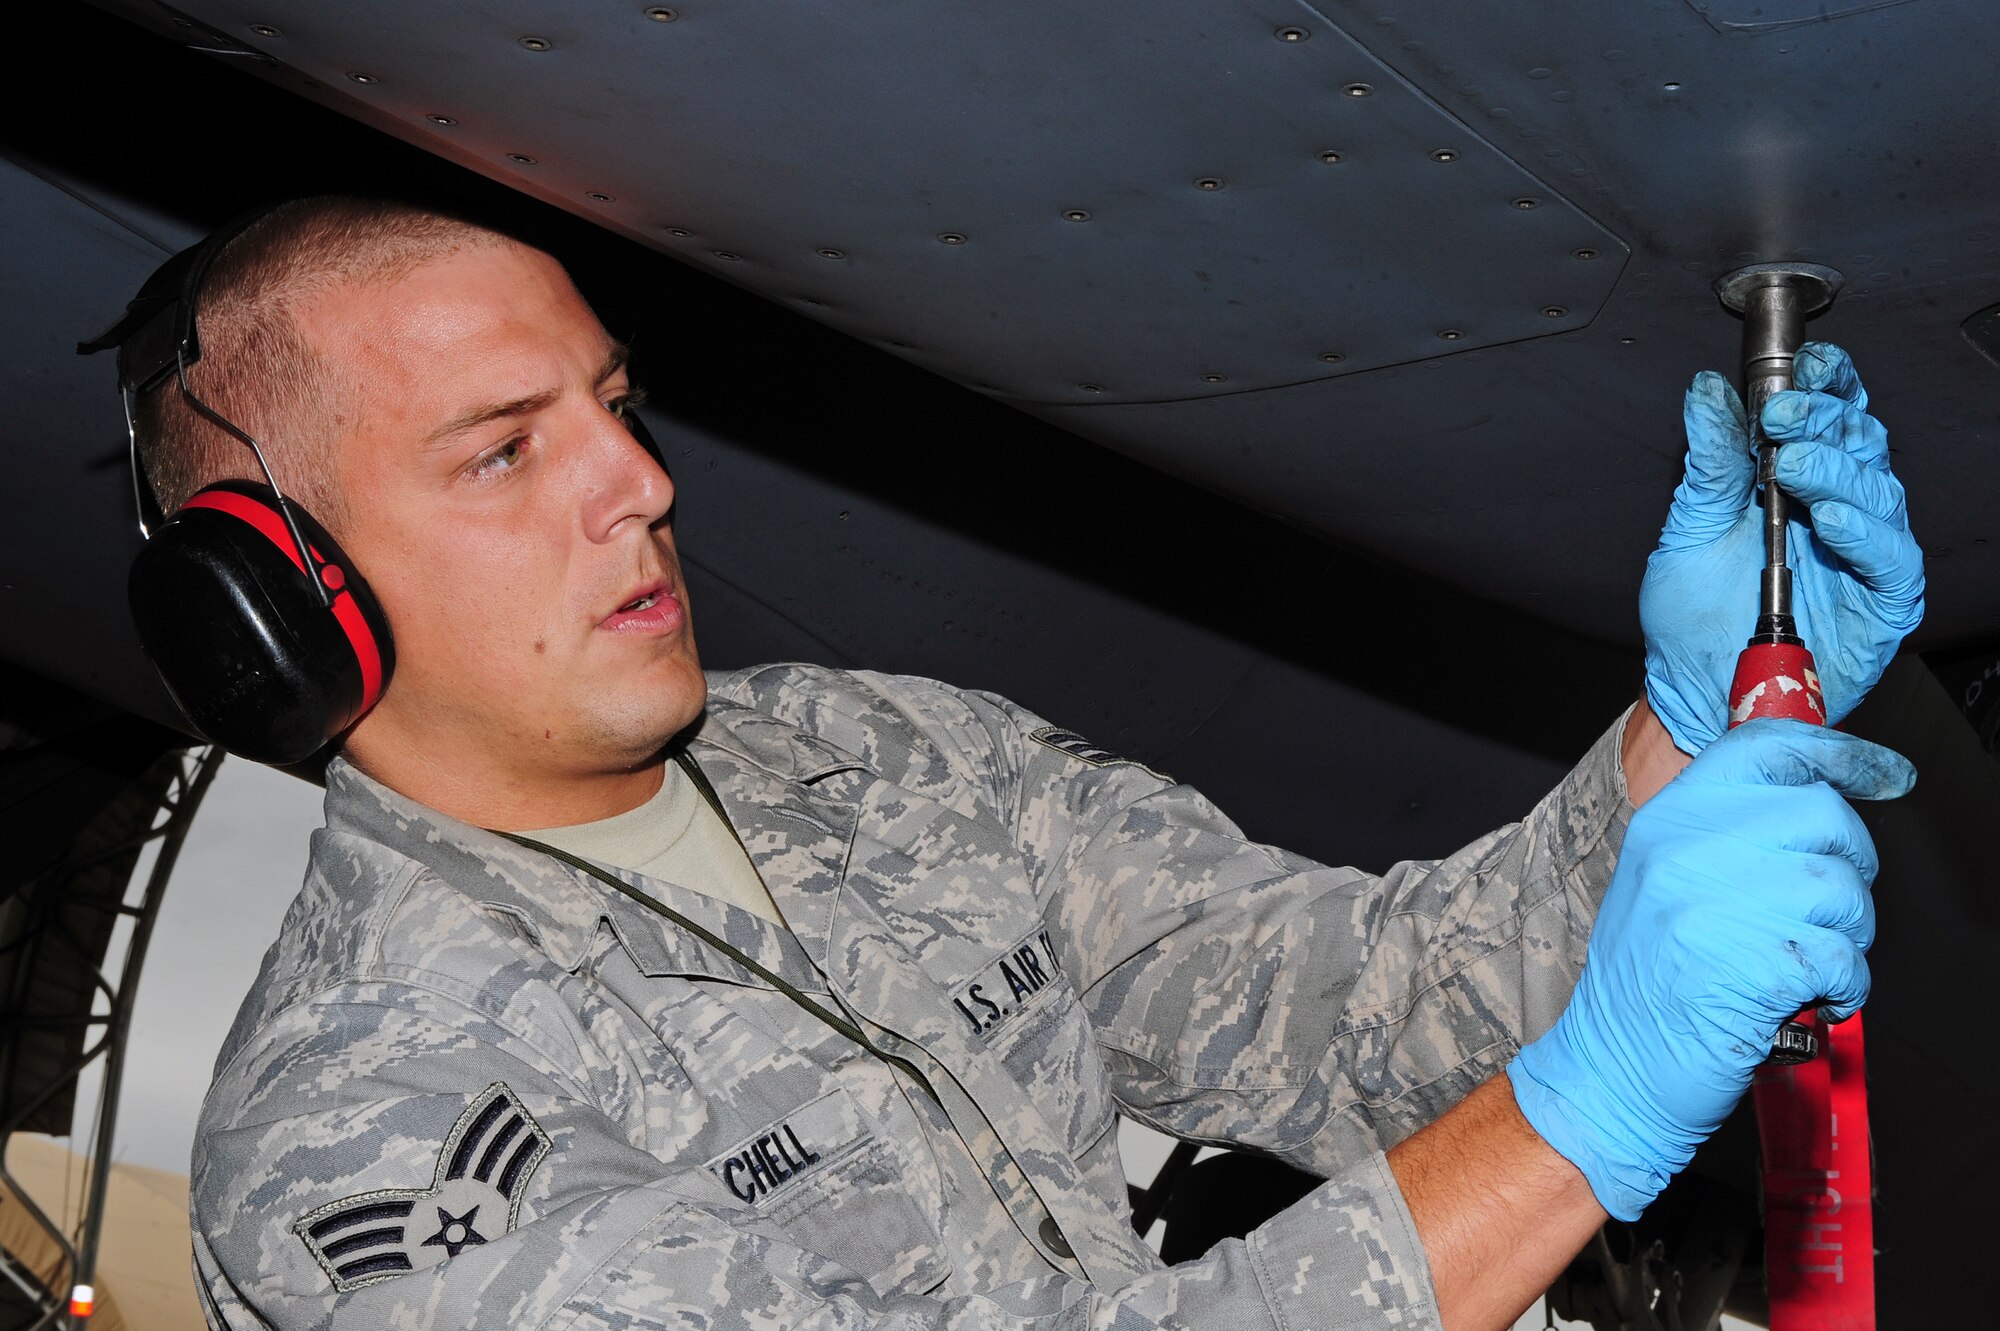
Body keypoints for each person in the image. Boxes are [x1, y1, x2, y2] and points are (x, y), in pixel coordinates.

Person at [99, 197, 1924, 1331]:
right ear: (281, 604)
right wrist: (1586, 1115)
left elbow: (1361, 1010)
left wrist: (1681, 738)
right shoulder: (364, 1129)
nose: (638, 484)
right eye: (504, 451)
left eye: (615, 401)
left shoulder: (886, 756)